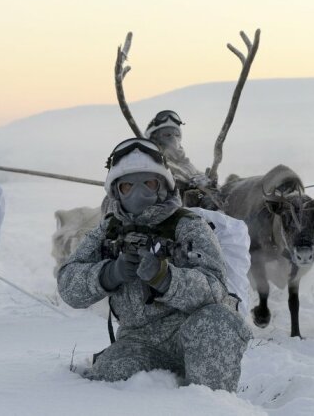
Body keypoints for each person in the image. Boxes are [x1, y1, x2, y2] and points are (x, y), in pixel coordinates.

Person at [57, 137, 251, 392]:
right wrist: (109, 274)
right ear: (116, 190)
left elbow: (215, 289)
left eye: (148, 183)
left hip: (192, 332)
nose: (139, 193)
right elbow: (69, 285)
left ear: (163, 186)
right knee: (107, 383)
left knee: (219, 321)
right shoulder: (108, 230)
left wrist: (166, 279)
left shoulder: (189, 225)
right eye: (128, 186)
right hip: (138, 340)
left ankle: (210, 404)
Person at [144, 110, 219, 208]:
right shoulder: (149, 163)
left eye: (177, 135)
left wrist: (208, 182)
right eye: (167, 135)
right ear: (154, 138)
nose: (173, 139)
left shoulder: (185, 163)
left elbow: (198, 178)